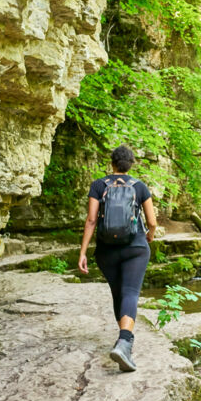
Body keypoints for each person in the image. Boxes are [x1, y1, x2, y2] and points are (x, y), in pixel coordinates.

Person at [78, 145, 157, 372]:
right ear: (130, 164)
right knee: (130, 293)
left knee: (118, 293)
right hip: (136, 248)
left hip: (106, 250)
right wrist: (149, 236)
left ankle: (123, 342)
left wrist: (83, 252)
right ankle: (124, 343)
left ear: (112, 163)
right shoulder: (139, 187)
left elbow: (91, 221)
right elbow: (151, 222)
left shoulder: (98, 185)